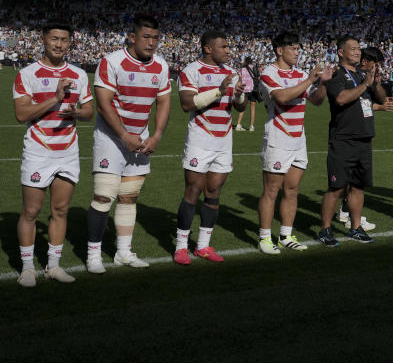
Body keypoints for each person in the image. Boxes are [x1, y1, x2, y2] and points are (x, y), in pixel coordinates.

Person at [86, 14, 171, 274]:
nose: (152, 42)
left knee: (129, 197)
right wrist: (123, 135)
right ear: (132, 37)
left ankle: (123, 252)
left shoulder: (161, 65)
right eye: (146, 37)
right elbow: (103, 104)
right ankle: (93, 254)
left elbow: (164, 101)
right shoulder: (112, 61)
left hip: (141, 137)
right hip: (111, 139)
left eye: (156, 38)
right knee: (104, 195)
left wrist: (156, 135)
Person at [13, 23, 95, 287]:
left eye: (64, 40)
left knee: (60, 210)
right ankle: (27, 268)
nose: (59, 44)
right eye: (54, 39)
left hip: (68, 152)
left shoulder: (79, 74)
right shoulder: (28, 73)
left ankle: (54, 265)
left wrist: (77, 113)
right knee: (31, 211)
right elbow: (21, 115)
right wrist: (56, 99)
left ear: (70, 43)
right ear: (43, 40)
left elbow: (89, 111)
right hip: (38, 151)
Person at [173, 31, 246, 265]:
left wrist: (240, 96)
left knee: (214, 192)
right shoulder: (191, 71)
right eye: (223, 47)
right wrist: (219, 91)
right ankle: (181, 247)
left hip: (224, 139)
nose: (228, 50)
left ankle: (203, 246)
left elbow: (238, 105)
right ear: (207, 48)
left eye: (228, 47)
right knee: (193, 190)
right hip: (200, 138)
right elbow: (186, 104)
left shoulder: (230, 73)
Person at [256, 32, 331, 254]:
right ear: (280, 50)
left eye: (299, 49)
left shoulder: (299, 73)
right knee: (271, 190)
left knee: (292, 189)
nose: (298, 53)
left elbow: (316, 100)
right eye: (294, 48)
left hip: (299, 140)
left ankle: (286, 235)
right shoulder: (269, 72)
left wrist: (323, 84)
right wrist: (309, 79)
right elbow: (281, 97)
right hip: (277, 139)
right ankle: (264, 238)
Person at [316, 38, 388, 246]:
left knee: (357, 186)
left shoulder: (362, 75)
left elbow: (382, 99)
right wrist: (366, 83)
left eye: (359, 49)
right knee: (336, 187)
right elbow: (340, 99)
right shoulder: (337, 75)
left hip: (364, 139)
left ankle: (355, 228)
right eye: (353, 49)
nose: (358, 52)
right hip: (343, 139)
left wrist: (376, 83)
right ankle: (325, 230)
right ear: (340, 52)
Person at [335, 47, 393, 231]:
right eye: (375, 63)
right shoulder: (350, 76)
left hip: (364, 131)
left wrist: (375, 83)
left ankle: (346, 211)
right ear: (365, 61)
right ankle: (348, 217)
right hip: (349, 132)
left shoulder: (367, 77)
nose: (377, 67)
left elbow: (380, 99)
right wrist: (378, 104)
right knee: (347, 181)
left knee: (355, 179)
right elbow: (351, 102)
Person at [234, 56, 259, 131]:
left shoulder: (242, 69)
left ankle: (238, 125)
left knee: (242, 108)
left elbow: (240, 78)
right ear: (251, 61)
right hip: (253, 89)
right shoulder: (254, 67)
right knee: (253, 108)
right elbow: (258, 77)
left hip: (244, 89)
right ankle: (251, 126)